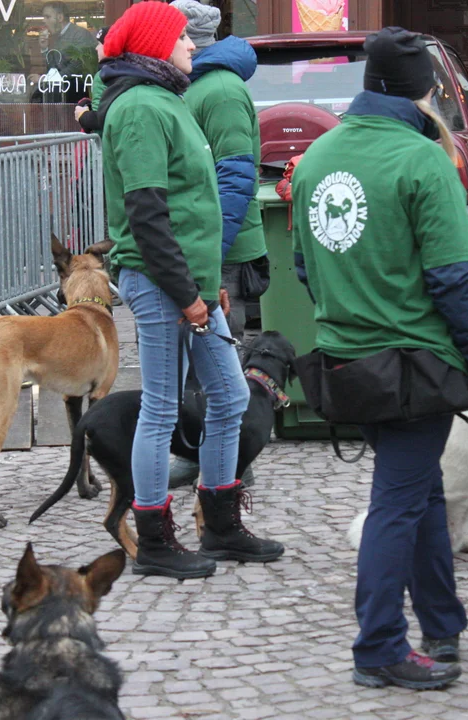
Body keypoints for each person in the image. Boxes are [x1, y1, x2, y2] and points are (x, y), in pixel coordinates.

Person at [291, 27, 468, 690]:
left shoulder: (318, 158)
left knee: (421, 495)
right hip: (414, 362)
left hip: (345, 361)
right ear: (424, 89)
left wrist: (351, 306)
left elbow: (303, 265)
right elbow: (453, 280)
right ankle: (379, 645)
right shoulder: (423, 161)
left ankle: (442, 623)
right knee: (397, 504)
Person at [99, 1, 284, 579]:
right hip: (160, 284)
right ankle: (153, 537)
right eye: (181, 38)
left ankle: (221, 524)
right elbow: (150, 213)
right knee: (160, 407)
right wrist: (186, 293)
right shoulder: (138, 109)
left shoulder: (167, 99)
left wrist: (207, 287)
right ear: (155, 46)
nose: (191, 46)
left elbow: (192, 208)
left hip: (187, 284)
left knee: (229, 397)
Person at [166, 0, 267, 490]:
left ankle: (228, 462)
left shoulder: (220, 90)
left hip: (220, 251)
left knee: (219, 365)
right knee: (193, 359)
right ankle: (199, 452)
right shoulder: (186, 85)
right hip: (197, 245)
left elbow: (234, 177)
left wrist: (211, 252)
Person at [74, 25, 113, 134]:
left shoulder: (102, 76)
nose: (96, 48)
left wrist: (83, 115)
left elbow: (99, 120)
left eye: (100, 44)